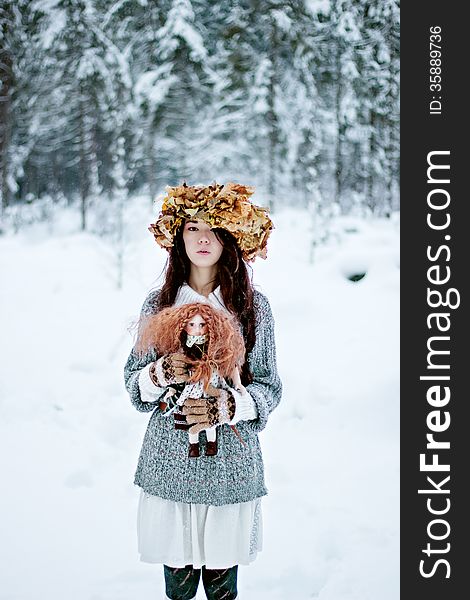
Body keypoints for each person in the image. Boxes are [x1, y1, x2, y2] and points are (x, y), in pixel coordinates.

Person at [124, 181, 282, 600]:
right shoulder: (157, 304)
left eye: (214, 227)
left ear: (230, 237)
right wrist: (161, 374)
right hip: (170, 461)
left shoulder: (252, 306)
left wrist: (231, 404)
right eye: (192, 227)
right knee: (177, 582)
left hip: (230, 463)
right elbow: (133, 384)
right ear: (179, 236)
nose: (203, 238)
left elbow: (269, 386)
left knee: (220, 579)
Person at [134, 302, 247, 458]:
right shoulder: (180, 345)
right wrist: (159, 376)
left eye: (202, 325)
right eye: (192, 324)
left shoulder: (217, 347)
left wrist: (241, 401)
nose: (197, 330)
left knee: (210, 423)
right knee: (190, 421)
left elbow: (232, 365)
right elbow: (135, 386)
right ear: (183, 326)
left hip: (211, 385)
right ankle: (193, 446)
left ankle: (211, 445)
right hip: (190, 389)